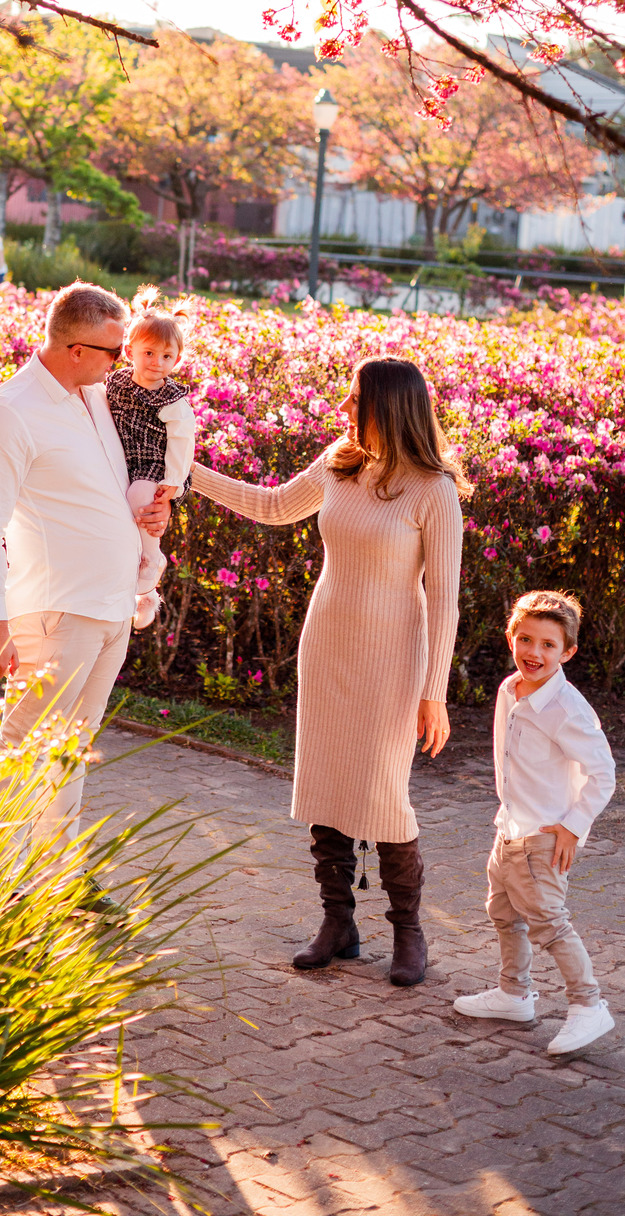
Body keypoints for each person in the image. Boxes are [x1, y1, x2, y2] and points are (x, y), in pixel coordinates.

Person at [188, 355, 465, 986]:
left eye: (355, 398)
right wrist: (188, 471)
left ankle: (409, 932)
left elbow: (445, 599)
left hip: (393, 657)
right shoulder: (341, 462)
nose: (344, 408)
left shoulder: (434, 489)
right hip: (329, 645)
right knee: (326, 779)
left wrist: (435, 693)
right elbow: (272, 505)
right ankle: (337, 923)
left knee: (384, 793)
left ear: (389, 407)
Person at [0, 280, 168, 870]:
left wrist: (154, 510)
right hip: (55, 612)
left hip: (111, 607)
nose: (123, 361)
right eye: (114, 350)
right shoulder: (11, 411)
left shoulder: (95, 395)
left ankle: (56, 875)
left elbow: (111, 486)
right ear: (76, 349)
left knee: (70, 749)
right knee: (23, 748)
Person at [453, 589, 617, 1056]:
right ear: (511, 639)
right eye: (525, 639)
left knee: (549, 923)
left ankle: (589, 1005)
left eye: (548, 645)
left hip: (544, 837)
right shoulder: (510, 689)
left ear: (567, 652)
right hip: (509, 829)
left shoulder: (567, 709)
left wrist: (573, 826)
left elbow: (603, 773)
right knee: (503, 913)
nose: (534, 652)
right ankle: (514, 994)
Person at [105, 287, 196, 631]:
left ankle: (151, 558)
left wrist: (173, 482)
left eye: (167, 356)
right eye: (149, 353)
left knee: (141, 497)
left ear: (177, 359)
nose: (157, 362)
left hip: (153, 464)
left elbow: (183, 442)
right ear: (129, 351)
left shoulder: (171, 399)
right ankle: (143, 591)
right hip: (124, 461)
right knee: (124, 513)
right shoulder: (115, 382)